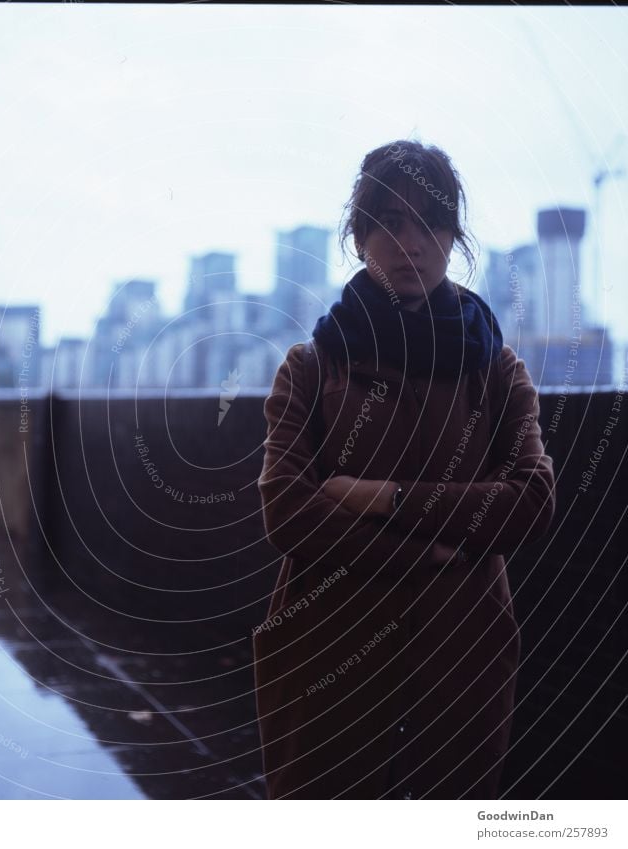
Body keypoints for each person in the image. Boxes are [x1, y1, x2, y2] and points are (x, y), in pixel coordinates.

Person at [253, 139, 556, 800]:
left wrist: (380, 496)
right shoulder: (310, 367)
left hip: (460, 661)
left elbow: (530, 501)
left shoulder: (498, 372)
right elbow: (286, 509)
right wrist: (443, 551)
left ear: (454, 238)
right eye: (387, 221)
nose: (408, 242)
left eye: (430, 223)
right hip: (324, 660)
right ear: (358, 236)